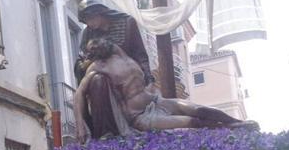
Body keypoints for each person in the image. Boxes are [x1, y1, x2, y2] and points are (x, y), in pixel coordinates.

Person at [74, 39, 251, 141]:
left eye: (97, 44)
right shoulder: (98, 67)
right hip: (141, 117)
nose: (96, 47)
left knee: (199, 109)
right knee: (191, 121)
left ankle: (236, 122)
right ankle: (229, 128)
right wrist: (80, 125)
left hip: (156, 101)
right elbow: (79, 94)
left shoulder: (122, 54)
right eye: (92, 48)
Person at [74, 0, 154, 139]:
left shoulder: (127, 23)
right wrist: (83, 65)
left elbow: (140, 53)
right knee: (98, 81)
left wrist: (148, 77)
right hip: (104, 77)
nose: (89, 24)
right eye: (86, 21)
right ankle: (106, 133)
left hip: (127, 78)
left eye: (91, 19)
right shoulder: (88, 33)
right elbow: (83, 58)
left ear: (99, 12)